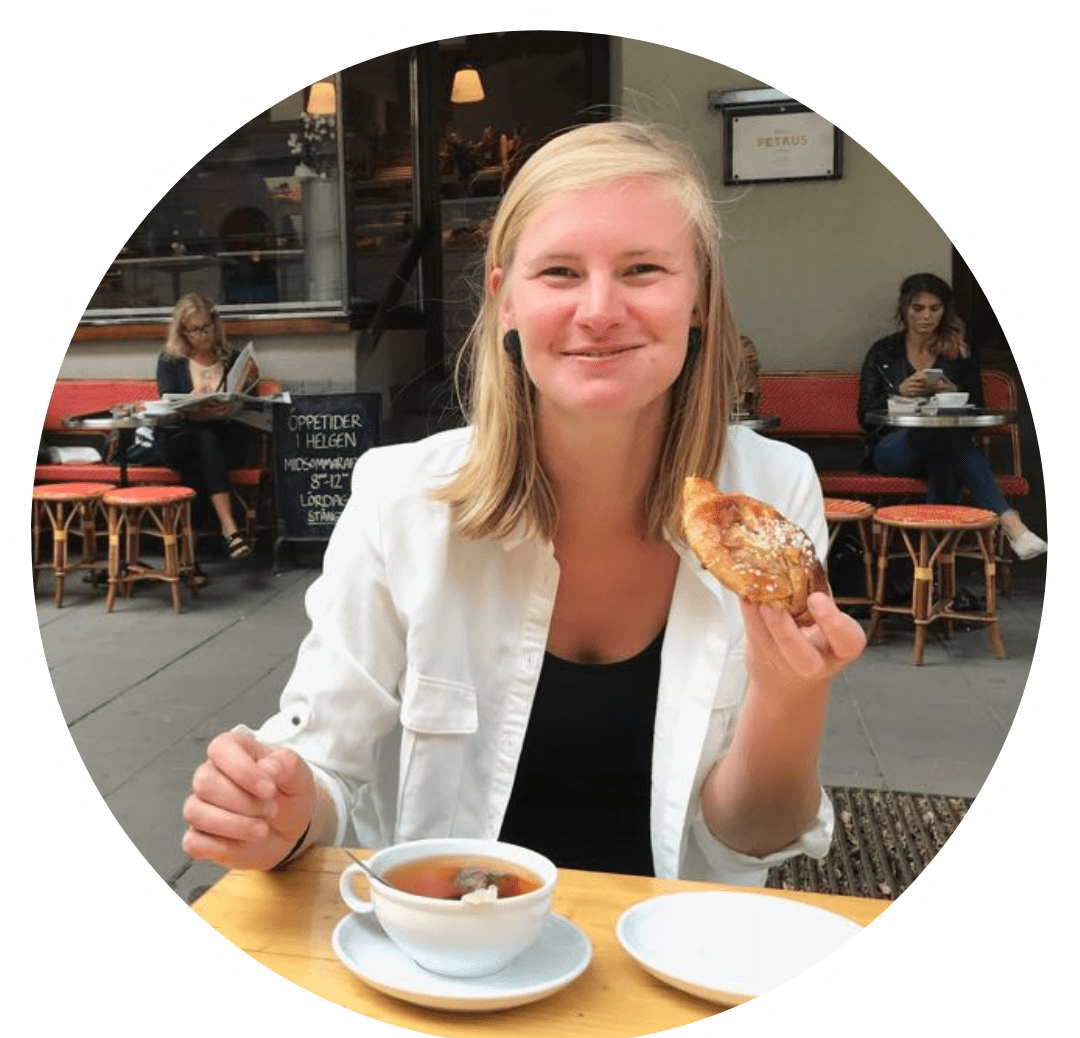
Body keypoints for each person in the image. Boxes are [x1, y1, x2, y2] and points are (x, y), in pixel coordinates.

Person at [182, 121, 865, 885]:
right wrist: (277, 810)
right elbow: (324, 769)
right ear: (506, 301)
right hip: (445, 944)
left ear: (699, 298)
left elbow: (753, 837)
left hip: (672, 943)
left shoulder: (769, 495)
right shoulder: (398, 497)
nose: (599, 310)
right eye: (561, 272)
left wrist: (789, 695)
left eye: (642, 269)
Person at [858, 273, 1047, 560]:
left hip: (945, 448)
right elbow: (864, 413)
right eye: (918, 308)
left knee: (944, 458)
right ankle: (1010, 522)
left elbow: (977, 406)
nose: (926, 316)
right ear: (904, 309)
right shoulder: (883, 352)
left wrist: (953, 391)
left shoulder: (958, 352)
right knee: (946, 441)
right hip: (894, 449)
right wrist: (898, 392)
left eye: (935, 308)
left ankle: (930, 566)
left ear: (945, 311)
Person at [153, 294, 254, 561]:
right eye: (194, 329)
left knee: (203, 450)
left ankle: (188, 559)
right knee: (203, 438)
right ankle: (229, 528)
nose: (202, 335)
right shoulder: (170, 361)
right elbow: (169, 406)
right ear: (182, 331)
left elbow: (247, 401)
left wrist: (232, 404)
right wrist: (195, 402)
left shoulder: (232, 358)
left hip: (224, 440)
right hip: (180, 438)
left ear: (215, 325)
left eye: (206, 327)